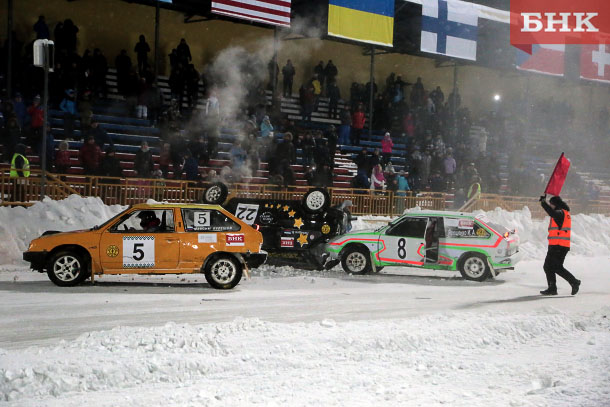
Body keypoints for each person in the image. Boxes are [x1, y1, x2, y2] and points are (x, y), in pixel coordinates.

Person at [539, 195, 581, 296]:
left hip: (559, 246)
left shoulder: (561, 213)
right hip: (557, 245)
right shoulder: (562, 213)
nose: (550, 206)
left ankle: (574, 282)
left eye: (551, 204)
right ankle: (552, 288)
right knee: (549, 266)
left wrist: (543, 203)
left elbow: (552, 213)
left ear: (555, 204)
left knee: (555, 267)